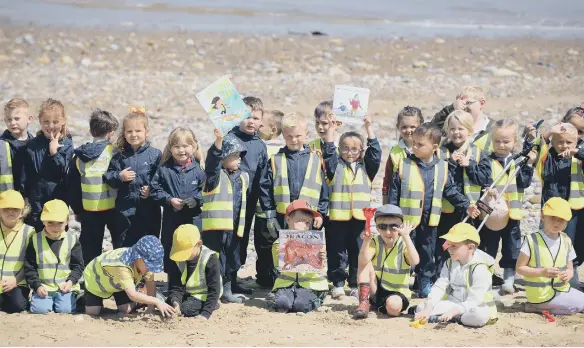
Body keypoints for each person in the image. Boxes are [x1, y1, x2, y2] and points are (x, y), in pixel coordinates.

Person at [389, 122, 479, 297]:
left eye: (420, 144)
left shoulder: (442, 167)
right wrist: (393, 218)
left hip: (431, 220)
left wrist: (466, 204)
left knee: (427, 252)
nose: (414, 147)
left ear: (435, 147)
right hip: (407, 221)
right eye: (414, 142)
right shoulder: (403, 164)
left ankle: (424, 281)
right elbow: (394, 192)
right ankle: (399, 283)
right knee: (403, 250)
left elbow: (450, 191)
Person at [258, 112, 328, 288]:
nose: (294, 140)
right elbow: (265, 187)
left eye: (298, 136)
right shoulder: (275, 159)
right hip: (283, 216)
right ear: (283, 136)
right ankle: (283, 284)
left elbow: (323, 189)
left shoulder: (315, 159)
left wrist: (321, 212)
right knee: (284, 250)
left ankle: (304, 284)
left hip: (307, 217)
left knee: (306, 250)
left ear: (306, 135)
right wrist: (269, 214)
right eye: (289, 136)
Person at [466, 119, 536, 293]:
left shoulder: (518, 161)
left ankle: (509, 279)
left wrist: (528, 164)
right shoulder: (487, 160)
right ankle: (486, 277)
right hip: (492, 212)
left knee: (511, 246)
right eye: (497, 141)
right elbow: (481, 178)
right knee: (488, 244)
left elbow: (524, 182)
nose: (502, 145)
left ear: (514, 142)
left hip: (512, 212)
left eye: (506, 142)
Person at [323, 114, 381, 298]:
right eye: (346, 148)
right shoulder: (334, 166)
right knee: (337, 250)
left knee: (358, 250)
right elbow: (329, 152)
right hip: (337, 217)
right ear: (340, 149)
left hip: (360, 218)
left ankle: (356, 283)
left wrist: (369, 129)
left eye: (355, 149)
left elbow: (376, 153)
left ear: (362, 150)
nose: (350, 152)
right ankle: (338, 282)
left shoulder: (367, 167)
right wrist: (332, 131)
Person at [415, 223, 498, 328]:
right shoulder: (449, 263)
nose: (449, 249)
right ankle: (451, 317)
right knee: (421, 307)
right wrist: (428, 308)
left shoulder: (480, 268)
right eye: (449, 245)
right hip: (453, 303)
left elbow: (475, 299)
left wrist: (455, 311)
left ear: (470, 248)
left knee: (480, 316)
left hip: (475, 307)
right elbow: (440, 286)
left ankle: (455, 317)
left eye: (454, 246)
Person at [202, 129, 251, 303]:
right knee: (216, 259)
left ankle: (228, 290)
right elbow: (212, 163)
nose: (239, 158)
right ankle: (215, 291)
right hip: (216, 228)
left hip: (235, 227)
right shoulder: (215, 176)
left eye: (239, 155)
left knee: (231, 258)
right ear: (223, 157)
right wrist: (218, 142)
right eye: (234, 155)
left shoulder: (242, 177)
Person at [532, 123, 584, 288]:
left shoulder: (579, 158)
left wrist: (578, 153)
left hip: (575, 208)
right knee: (551, 242)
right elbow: (533, 147)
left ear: (576, 142)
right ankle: (548, 277)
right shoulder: (547, 157)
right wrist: (549, 132)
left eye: (569, 142)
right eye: (560, 142)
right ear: (553, 142)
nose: (564, 146)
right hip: (552, 208)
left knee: (574, 243)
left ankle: (571, 275)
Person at [104, 107, 162, 248]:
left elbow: (161, 179)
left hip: (149, 211)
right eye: (129, 131)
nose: (133, 135)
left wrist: (151, 190)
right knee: (123, 248)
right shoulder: (120, 156)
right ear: (124, 133)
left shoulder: (155, 154)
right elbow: (108, 176)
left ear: (146, 132)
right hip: (124, 211)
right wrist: (119, 176)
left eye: (138, 131)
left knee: (148, 248)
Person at [150, 127, 206, 273]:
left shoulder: (199, 169)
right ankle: (174, 287)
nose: (181, 150)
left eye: (185, 146)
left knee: (194, 249)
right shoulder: (164, 169)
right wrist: (169, 200)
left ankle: (193, 285)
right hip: (171, 218)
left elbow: (207, 191)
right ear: (170, 148)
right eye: (176, 147)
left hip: (194, 218)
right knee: (172, 248)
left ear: (193, 147)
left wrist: (197, 199)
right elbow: (155, 190)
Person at [68, 108, 119, 265]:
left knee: (89, 249)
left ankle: (89, 283)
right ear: (111, 133)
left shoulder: (79, 156)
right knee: (119, 245)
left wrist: (77, 210)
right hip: (113, 208)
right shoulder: (115, 152)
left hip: (89, 210)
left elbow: (73, 187)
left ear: (91, 131)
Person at [516, 197, 584, 314]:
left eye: (561, 219)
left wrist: (568, 274)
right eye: (553, 218)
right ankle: (539, 307)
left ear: (567, 222)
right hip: (540, 296)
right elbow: (520, 268)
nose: (557, 223)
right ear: (542, 216)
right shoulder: (531, 240)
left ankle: (538, 308)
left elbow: (570, 269)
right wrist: (542, 272)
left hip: (562, 290)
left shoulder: (566, 240)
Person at [225, 97, 269, 271]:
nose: (251, 121)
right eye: (247, 117)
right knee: (228, 237)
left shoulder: (260, 146)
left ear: (261, 122)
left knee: (242, 236)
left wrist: (267, 206)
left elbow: (263, 178)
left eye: (256, 118)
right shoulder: (229, 138)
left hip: (249, 201)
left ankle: (235, 275)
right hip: (228, 201)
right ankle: (225, 278)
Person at [83, 235, 176, 317]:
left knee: (126, 310)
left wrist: (150, 308)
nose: (150, 268)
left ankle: (141, 299)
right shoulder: (122, 265)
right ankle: (80, 299)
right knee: (93, 312)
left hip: (118, 284)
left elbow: (150, 281)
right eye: (149, 265)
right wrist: (156, 301)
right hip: (95, 282)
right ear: (138, 257)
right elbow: (132, 295)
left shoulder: (143, 263)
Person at [436, 111, 483, 273]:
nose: (456, 132)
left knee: (467, 244)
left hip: (471, 211)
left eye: (461, 128)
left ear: (469, 130)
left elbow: (483, 178)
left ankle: (469, 273)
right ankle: (442, 274)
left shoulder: (477, 152)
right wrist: (453, 163)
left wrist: (468, 165)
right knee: (446, 244)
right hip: (448, 209)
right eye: (452, 129)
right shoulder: (441, 153)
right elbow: (445, 183)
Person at [354, 205, 419, 319]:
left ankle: (379, 306)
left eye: (393, 227)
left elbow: (415, 260)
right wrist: (365, 242)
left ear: (400, 227)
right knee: (364, 262)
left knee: (393, 307)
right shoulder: (375, 242)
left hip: (397, 292)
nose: (388, 231)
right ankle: (364, 302)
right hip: (376, 290)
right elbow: (362, 262)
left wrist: (406, 237)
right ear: (377, 228)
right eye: (382, 227)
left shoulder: (404, 244)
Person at [22, 98, 74, 232]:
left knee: (56, 231)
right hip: (36, 197)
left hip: (58, 196)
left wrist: (54, 151)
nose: (50, 126)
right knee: (35, 230)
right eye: (46, 122)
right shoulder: (32, 144)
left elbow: (62, 167)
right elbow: (26, 173)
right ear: (40, 121)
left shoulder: (66, 143)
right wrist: (24, 195)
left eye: (55, 122)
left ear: (63, 121)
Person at [24, 199, 83, 314]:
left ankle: (76, 298)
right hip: (43, 287)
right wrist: (37, 286)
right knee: (39, 310)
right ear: (43, 221)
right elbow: (29, 266)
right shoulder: (35, 239)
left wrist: (70, 282)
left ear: (66, 221)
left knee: (65, 310)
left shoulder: (72, 240)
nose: (55, 227)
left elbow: (78, 266)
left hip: (64, 287)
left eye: (59, 223)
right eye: (50, 222)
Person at [271, 200, 328, 313]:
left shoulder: (315, 242)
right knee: (283, 304)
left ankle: (319, 297)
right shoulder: (280, 242)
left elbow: (320, 267)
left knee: (301, 306)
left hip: (310, 285)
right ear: (288, 220)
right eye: (301, 221)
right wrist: (279, 255)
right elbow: (277, 266)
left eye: (308, 222)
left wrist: (321, 257)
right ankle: (282, 297)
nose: (305, 225)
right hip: (286, 284)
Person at [166, 224, 222, 319]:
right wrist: (176, 303)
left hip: (204, 296)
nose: (183, 256)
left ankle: (214, 305)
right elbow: (175, 287)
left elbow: (214, 290)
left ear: (199, 244)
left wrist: (205, 314)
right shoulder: (177, 258)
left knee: (187, 308)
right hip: (186, 294)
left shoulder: (209, 258)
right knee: (167, 306)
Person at [0, 190, 35, 313]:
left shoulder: (30, 232)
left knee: (17, 306)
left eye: (15, 209)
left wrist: (15, 281)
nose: (10, 212)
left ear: (22, 211)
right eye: (6, 208)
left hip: (18, 282)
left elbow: (30, 263)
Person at [431, 85, 495, 153]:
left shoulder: (494, 128)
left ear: (482, 103)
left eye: (467, 103)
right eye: (459, 103)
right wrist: (452, 108)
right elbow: (432, 129)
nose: (462, 107)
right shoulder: (453, 126)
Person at [381, 106, 423, 204]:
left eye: (413, 127)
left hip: (421, 206)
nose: (408, 130)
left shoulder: (427, 149)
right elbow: (387, 179)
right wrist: (385, 204)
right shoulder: (395, 152)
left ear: (420, 126)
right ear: (398, 127)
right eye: (404, 127)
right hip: (398, 204)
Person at [2, 98, 33, 194]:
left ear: (29, 119)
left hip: (29, 197)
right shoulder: (2, 145)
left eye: (17, 119)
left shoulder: (35, 144)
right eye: (9, 119)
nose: (12, 123)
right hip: (7, 198)